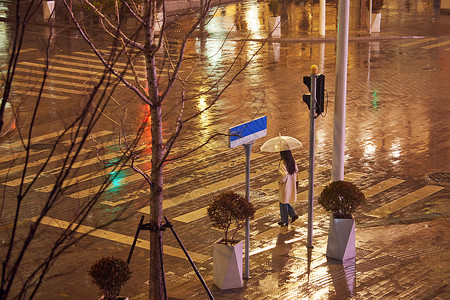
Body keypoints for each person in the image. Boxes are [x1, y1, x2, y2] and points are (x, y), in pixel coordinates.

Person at [277, 150, 299, 226]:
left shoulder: (283, 162)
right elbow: (296, 170)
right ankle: (293, 214)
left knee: (282, 202)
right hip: (291, 183)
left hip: (285, 185)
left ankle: (284, 220)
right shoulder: (292, 160)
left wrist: (279, 181)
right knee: (285, 201)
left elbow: (283, 175)